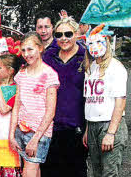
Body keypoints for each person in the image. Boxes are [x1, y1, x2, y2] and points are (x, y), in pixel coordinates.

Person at [41, 18, 87, 176]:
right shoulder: (48, 57)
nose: (63, 38)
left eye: (68, 34)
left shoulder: (86, 57)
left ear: (76, 34)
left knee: (75, 171)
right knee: (50, 171)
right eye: (59, 35)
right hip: (51, 128)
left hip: (77, 128)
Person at [9, 32, 59, 177]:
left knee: (28, 172)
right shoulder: (21, 74)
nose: (26, 54)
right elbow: (17, 105)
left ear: (40, 48)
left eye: (30, 49)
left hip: (39, 133)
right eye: (23, 50)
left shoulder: (50, 75)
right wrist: (12, 134)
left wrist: (35, 139)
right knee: (34, 170)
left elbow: (50, 112)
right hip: (22, 129)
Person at [82, 24, 128, 177]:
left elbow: (120, 102)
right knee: (96, 172)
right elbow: (91, 101)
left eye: (98, 42)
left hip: (109, 125)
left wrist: (111, 133)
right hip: (93, 126)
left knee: (109, 173)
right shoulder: (91, 67)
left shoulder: (116, 68)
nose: (94, 47)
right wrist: (88, 129)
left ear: (106, 41)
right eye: (90, 43)